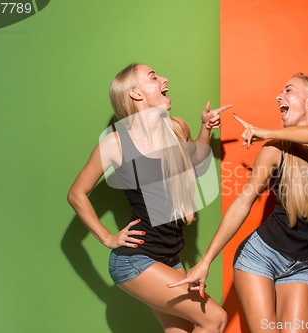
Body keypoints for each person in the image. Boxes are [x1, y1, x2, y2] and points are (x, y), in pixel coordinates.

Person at [169, 74, 308, 333]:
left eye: (288, 90)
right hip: (260, 257)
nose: (279, 97)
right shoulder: (274, 151)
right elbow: (243, 202)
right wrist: (206, 261)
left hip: (304, 265)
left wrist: (264, 131)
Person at [67, 63, 231, 333]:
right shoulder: (116, 144)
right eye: (154, 77)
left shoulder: (177, 127)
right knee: (216, 318)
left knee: (180, 330)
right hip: (136, 259)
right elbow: (76, 194)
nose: (165, 78)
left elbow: (196, 162)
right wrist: (107, 238)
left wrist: (205, 128)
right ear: (135, 94)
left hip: (171, 258)